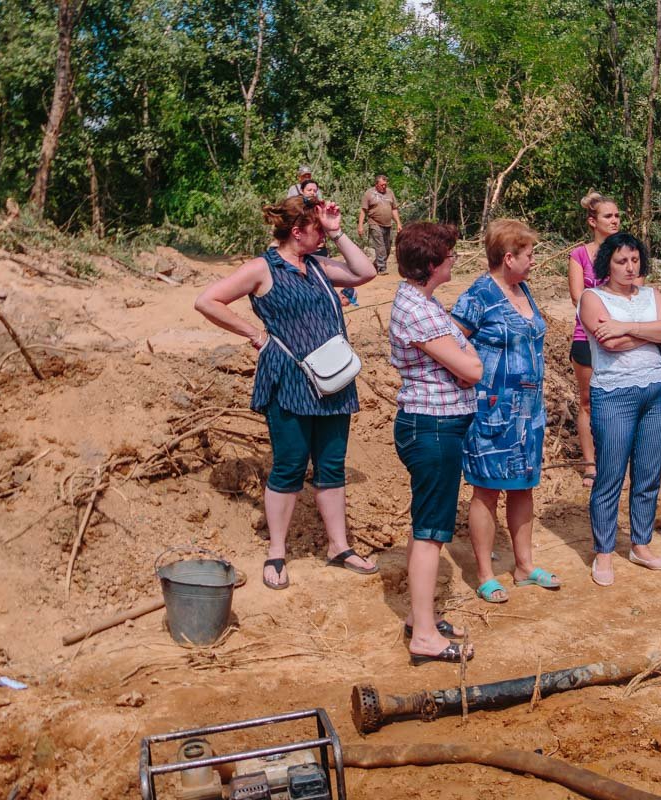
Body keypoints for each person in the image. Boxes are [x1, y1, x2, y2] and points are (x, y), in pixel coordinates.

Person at [193, 196, 377, 591]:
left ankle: (339, 547)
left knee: (332, 464)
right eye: (316, 229)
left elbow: (366, 272)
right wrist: (256, 336)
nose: (322, 235)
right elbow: (206, 301)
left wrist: (337, 229)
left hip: (333, 378)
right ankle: (277, 551)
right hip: (289, 378)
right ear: (297, 232)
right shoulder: (262, 268)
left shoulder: (318, 266)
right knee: (290, 464)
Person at [452, 219, 559, 603]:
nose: (534, 261)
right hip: (492, 413)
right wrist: (476, 383)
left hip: (528, 413)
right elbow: (451, 344)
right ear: (508, 256)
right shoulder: (478, 295)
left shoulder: (522, 290)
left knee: (523, 487)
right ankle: (483, 573)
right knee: (486, 490)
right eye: (529, 254)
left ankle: (524, 566)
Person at [389, 222, 482, 664]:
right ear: (431, 264)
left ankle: (419, 616)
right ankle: (424, 635)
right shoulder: (421, 312)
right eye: (448, 254)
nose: (454, 259)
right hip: (434, 426)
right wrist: (472, 361)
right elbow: (472, 369)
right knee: (431, 533)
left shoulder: (421, 302)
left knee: (425, 524)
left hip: (433, 423)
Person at [579, 232, 661, 586]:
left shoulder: (653, 295)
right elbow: (610, 342)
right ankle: (603, 552)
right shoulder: (592, 297)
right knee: (610, 475)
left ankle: (641, 544)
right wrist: (652, 333)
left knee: (649, 473)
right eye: (622, 261)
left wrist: (629, 327)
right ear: (608, 262)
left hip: (657, 393)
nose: (630, 267)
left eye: (635, 260)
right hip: (614, 394)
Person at [568, 192, 621, 488]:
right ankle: (591, 464)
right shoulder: (579, 255)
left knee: (618, 402)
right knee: (588, 401)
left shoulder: (627, 251)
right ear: (592, 221)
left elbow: (634, 293)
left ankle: (615, 462)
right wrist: (604, 321)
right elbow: (578, 297)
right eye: (607, 216)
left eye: (616, 216)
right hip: (586, 336)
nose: (613, 221)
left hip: (621, 336)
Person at [358, 174, 402, 275]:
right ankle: (382, 268)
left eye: (385, 185)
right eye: (382, 185)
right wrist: (360, 226)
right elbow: (363, 210)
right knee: (380, 246)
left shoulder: (390, 192)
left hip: (388, 224)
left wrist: (398, 223)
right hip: (374, 223)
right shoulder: (369, 193)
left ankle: (377, 264)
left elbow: (394, 209)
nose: (384, 187)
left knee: (387, 247)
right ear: (376, 184)